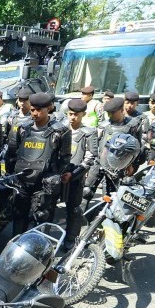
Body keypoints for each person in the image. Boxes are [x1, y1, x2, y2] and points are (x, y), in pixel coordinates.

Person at [5, 92, 71, 235]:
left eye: (39, 110)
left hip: (44, 183)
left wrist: (55, 176)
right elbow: (11, 154)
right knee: (18, 217)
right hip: (22, 181)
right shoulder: (22, 128)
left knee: (42, 217)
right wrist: (10, 174)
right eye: (32, 109)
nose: (34, 113)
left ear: (49, 108)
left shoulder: (61, 131)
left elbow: (65, 158)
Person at [61, 99, 98, 249]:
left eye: (76, 114)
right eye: (70, 114)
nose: (72, 117)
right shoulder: (60, 129)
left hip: (75, 178)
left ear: (83, 114)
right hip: (56, 175)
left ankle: (70, 239)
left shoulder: (88, 133)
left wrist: (73, 174)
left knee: (74, 210)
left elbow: (90, 158)